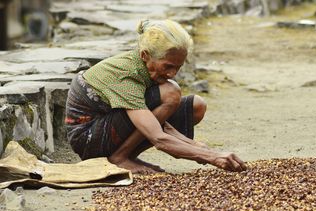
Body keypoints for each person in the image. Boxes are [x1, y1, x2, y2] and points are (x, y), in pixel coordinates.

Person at [65, 19, 246, 174]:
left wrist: (199, 148)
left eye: (178, 67)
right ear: (145, 55)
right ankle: (119, 158)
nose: (173, 73)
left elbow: (159, 122)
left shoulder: (144, 67)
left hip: (114, 122)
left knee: (196, 106)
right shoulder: (127, 74)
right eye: (168, 66)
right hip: (89, 138)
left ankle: (125, 155)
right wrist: (211, 157)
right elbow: (158, 137)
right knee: (170, 92)